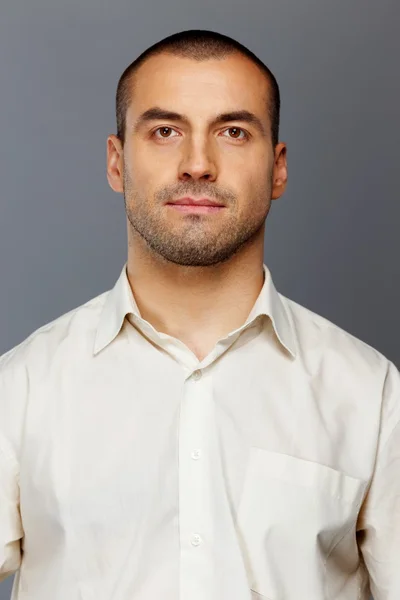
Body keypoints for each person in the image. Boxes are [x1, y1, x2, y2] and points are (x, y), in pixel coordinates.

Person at [0, 28, 399, 600]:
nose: (197, 163)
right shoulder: (22, 389)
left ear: (278, 169)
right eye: (165, 131)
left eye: (233, 132)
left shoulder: (372, 395)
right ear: (117, 162)